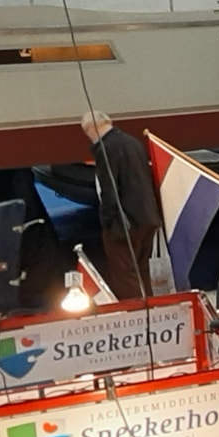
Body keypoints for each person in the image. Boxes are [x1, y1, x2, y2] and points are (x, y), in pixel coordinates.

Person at [81, 111, 162, 300]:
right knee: (143, 272)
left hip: (123, 224)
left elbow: (109, 189)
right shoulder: (133, 142)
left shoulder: (105, 148)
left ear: (91, 128)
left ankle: (135, 311)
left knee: (125, 276)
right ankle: (151, 308)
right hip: (147, 217)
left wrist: (106, 220)